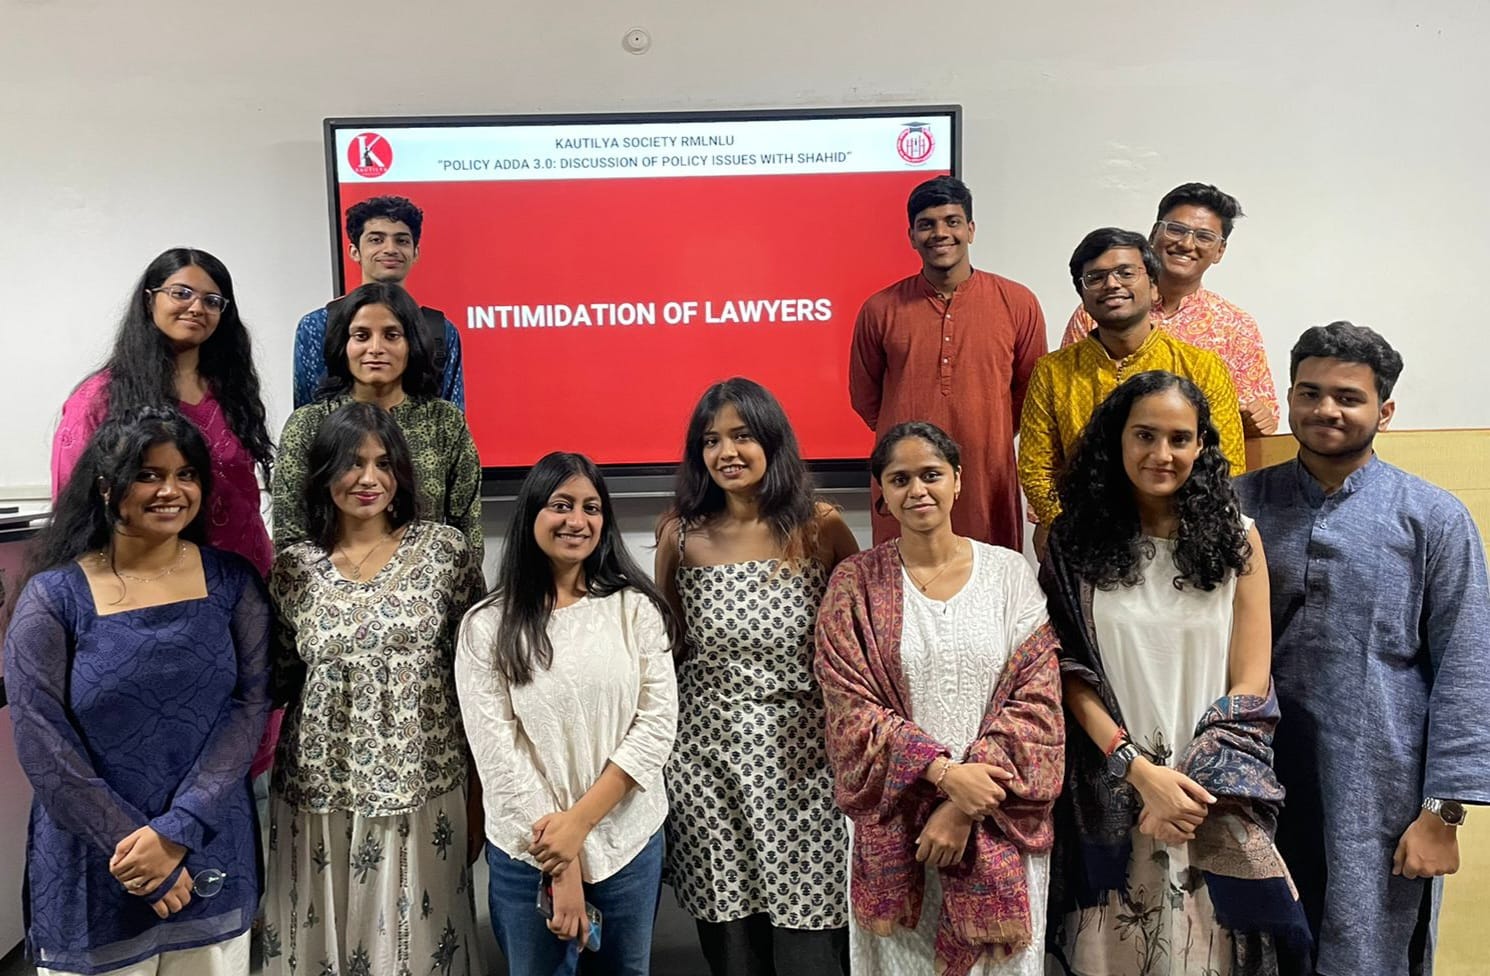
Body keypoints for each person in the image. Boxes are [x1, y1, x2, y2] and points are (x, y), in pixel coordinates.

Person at [1234, 322, 1490, 975]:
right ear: (1289, 398)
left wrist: (1444, 813)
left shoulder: (1432, 518)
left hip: (1380, 790)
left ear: (1386, 411)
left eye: (1348, 397)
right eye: (1310, 392)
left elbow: (1467, 667)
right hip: (1251, 777)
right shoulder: (1239, 506)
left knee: (1367, 949)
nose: (1326, 409)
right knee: (1250, 946)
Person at [1040, 372, 1308, 975]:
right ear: (1117, 438)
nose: (1162, 454)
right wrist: (1140, 773)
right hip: (1112, 793)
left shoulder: (1239, 540)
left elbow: (1251, 683)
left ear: (1201, 446)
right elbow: (1066, 673)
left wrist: (1182, 786)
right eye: (1145, 435)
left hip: (1207, 798)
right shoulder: (1070, 543)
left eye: (1179, 439)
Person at [6, 407, 269, 975]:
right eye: (149, 475)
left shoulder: (232, 582)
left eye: (186, 474)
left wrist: (177, 833)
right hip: (97, 858)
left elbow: (249, 707)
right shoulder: (54, 597)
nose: (171, 491)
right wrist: (136, 847)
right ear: (107, 487)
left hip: (208, 846)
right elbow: (41, 740)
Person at [814, 421, 1063, 976]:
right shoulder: (855, 584)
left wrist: (962, 806)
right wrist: (944, 775)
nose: (917, 490)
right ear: (882, 493)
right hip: (900, 833)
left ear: (958, 480)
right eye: (900, 479)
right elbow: (849, 710)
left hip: (996, 819)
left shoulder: (1009, 574)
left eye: (931, 474)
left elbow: (1038, 703)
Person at [263, 402, 486, 976]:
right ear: (323, 472)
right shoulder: (293, 568)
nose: (368, 478)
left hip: (423, 781)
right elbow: (280, 677)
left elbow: (478, 677)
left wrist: (481, 791)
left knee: (416, 945)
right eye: (351, 462)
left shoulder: (444, 552)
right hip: (318, 789)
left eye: (383, 463)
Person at [654, 377, 859, 975]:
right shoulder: (680, 536)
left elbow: (859, 644)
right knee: (733, 950)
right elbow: (666, 650)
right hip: (706, 768)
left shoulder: (821, 526)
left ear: (771, 440)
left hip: (806, 767)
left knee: (812, 949)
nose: (726, 452)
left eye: (741, 435)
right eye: (710, 440)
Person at [457, 452, 679, 976]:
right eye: (561, 505)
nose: (576, 521)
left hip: (627, 843)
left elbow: (655, 726)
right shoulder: (486, 625)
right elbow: (498, 755)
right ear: (532, 512)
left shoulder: (635, 609)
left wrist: (579, 824)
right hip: (527, 854)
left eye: (591, 507)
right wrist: (564, 862)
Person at [1019, 228, 1246, 560]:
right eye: (1095, 277)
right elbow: (1035, 470)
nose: (1112, 284)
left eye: (1126, 273)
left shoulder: (1202, 367)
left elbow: (1227, 463)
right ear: (1083, 296)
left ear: (1153, 286)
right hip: (1083, 547)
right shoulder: (1052, 372)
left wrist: (1173, 533)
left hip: (1180, 547)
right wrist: (1073, 528)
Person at [849, 175, 1047, 551]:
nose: (940, 233)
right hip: (907, 483)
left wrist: (984, 430)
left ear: (970, 229)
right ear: (911, 236)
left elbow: (1032, 396)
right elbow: (866, 397)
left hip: (986, 480)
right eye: (927, 224)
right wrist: (909, 423)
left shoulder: (1017, 303)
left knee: (992, 574)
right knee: (902, 576)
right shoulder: (880, 309)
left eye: (952, 221)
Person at [51, 247, 275, 576]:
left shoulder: (232, 391)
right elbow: (75, 504)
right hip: (148, 580)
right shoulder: (100, 398)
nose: (196, 308)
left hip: (246, 574)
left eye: (212, 301)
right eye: (181, 293)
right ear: (149, 300)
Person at [273, 281, 482, 565]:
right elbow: (291, 538)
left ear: (412, 344)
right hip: (329, 585)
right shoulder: (307, 424)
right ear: (343, 345)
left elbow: (468, 533)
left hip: (429, 583)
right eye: (361, 336)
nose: (375, 348)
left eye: (391, 335)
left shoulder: (444, 422)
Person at [1059, 183, 1278, 436]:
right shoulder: (1098, 312)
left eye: (1204, 236)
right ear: (1154, 234)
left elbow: (1264, 420)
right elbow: (1066, 398)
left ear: (1220, 251)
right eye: (1176, 229)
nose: (1186, 243)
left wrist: (1258, 420)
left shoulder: (1236, 326)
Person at [293, 195, 465, 408]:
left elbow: (453, 416)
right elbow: (307, 412)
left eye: (402, 241)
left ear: (415, 253)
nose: (390, 249)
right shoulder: (318, 325)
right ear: (354, 251)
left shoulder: (440, 330)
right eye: (376, 240)